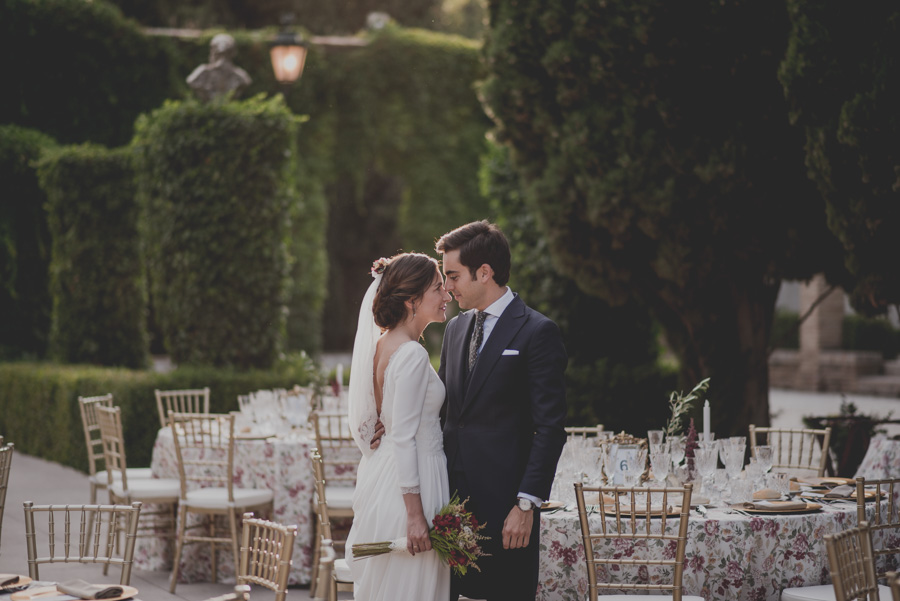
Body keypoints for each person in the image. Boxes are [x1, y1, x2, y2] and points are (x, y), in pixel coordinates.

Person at [437, 220, 567, 601]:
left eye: (452, 275)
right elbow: (444, 410)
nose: (447, 286)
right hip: (450, 503)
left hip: (507, 507)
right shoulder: (455, 330)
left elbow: (551, 427)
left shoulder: (537, 331)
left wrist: (526, 504)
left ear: (484, 272)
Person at [345, 253, 453, 600]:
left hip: (387, 474)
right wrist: (415, 516)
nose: (446, 296)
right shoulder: (412, 354)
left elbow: (383, 421)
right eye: (438, 288)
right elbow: (404, 437)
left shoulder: (382, 344)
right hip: (413, 480)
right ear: (412, 301)